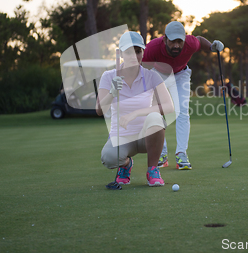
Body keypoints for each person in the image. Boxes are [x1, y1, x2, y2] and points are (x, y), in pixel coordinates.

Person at [96, 31, 174, 186]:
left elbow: (169, 106)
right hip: (123, 137)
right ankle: (126, 165)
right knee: (108, 158)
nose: (134, 56)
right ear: (120, 54)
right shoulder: (108, 76)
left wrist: (136, 113)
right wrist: (112, 93)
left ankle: (152, 170)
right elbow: (99, 110)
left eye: (138, 51)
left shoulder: (152, 76)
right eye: (129, 52)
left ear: (143, 52)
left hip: (146, 136)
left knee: (155, 117)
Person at [143, 21, 224, 170]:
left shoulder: (190, 43)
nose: (176, 45)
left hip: (181, 75)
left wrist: (212, 46)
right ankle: (162, 153)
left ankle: (181, 153)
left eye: (179, 41)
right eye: (172, 41)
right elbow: (143, 67)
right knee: (157, 112)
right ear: (165, 39)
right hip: (159, 75)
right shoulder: (152, 48)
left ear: (184, 39)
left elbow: (199, 40)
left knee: (182, 112)